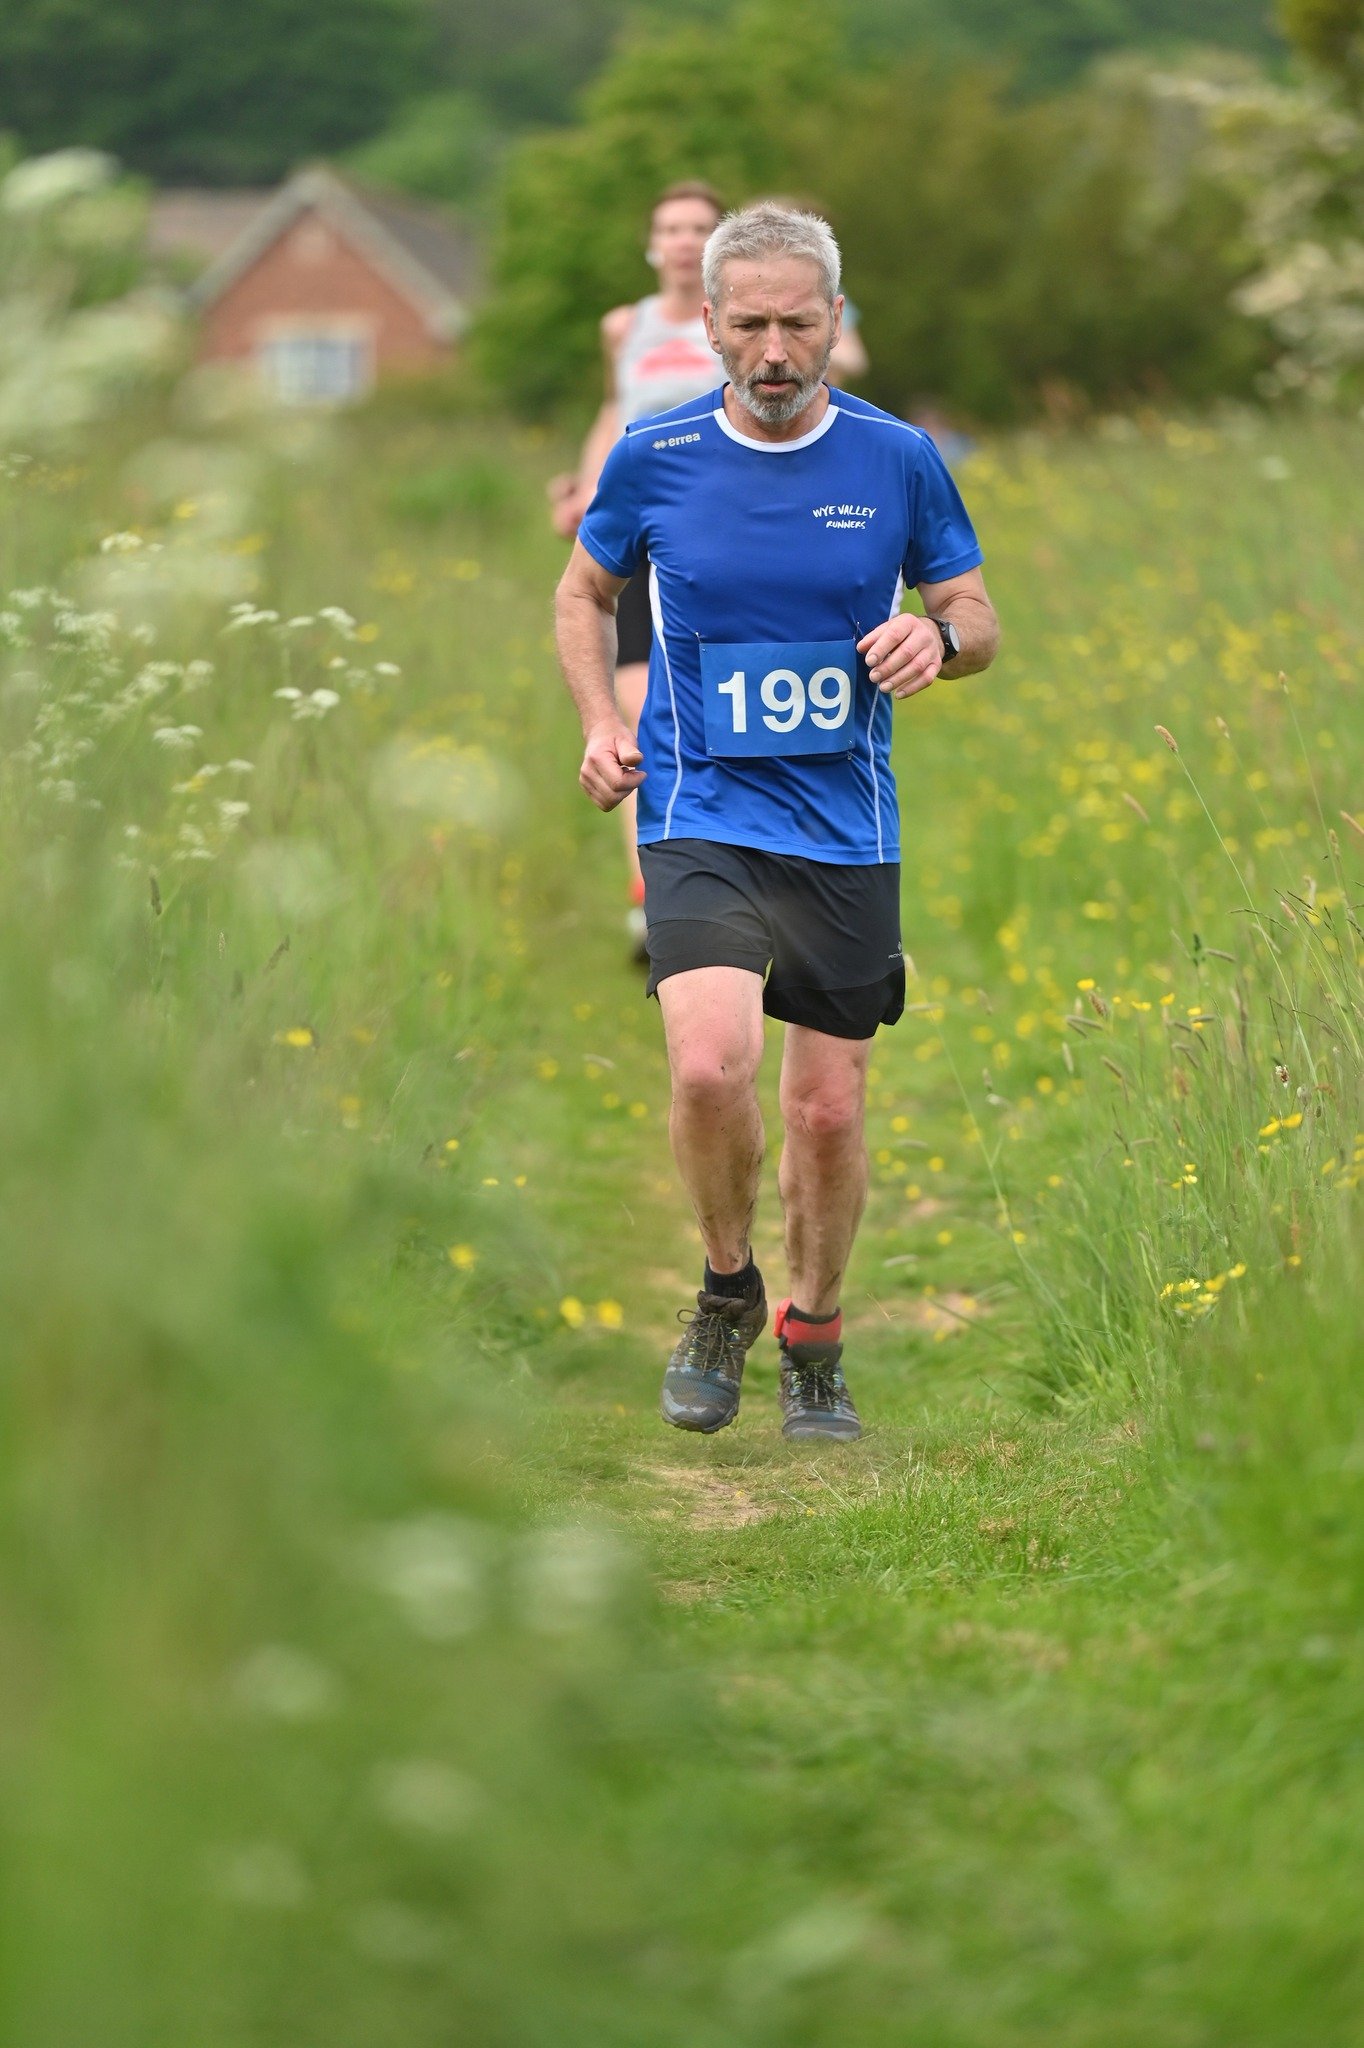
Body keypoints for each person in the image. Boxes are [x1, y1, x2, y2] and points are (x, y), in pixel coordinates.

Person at [555, 202, 999, 1442]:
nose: (770, 348)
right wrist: (600, 722)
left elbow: (971, 608)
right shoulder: (653, 453)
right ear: (704, 324)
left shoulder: (894, 455)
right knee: (708, 1066)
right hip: (700, 808)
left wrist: (940, 635)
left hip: (844, 825)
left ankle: (814, 1332)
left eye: (795, 323)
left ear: (832, 324)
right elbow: (582, 594)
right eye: (745, 322)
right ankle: (721, 1288)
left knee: (826, 1111)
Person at [548, 182, 870, 961]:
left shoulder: (756, 310)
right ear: (652, 244)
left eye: (699, 227)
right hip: (650, 538)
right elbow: (613, 411)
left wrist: (813, 327)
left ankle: (779, 882)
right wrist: (589, 495)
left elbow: (841, 364)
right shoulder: (625, 324)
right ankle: (654, 894)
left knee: (742, 720)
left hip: (743, 538)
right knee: (641, 714)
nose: (684, 241)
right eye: (670, 228)